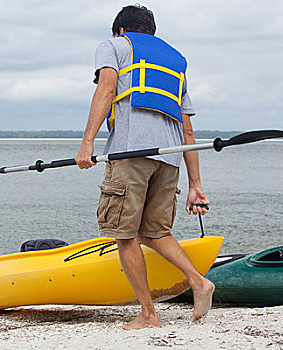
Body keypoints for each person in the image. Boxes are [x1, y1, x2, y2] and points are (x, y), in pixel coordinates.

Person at [75, 5, 214, 330]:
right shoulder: (175, 59)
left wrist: (87, 142)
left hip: (130, 152)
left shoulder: (113, 46)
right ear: (150, 31)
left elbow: (107, 87)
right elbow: (188, 128)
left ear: (120, 30)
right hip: (170, 156)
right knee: (155, 231)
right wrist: (195, 184)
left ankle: (149, 315)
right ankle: (198, 281)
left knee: (123, 235)